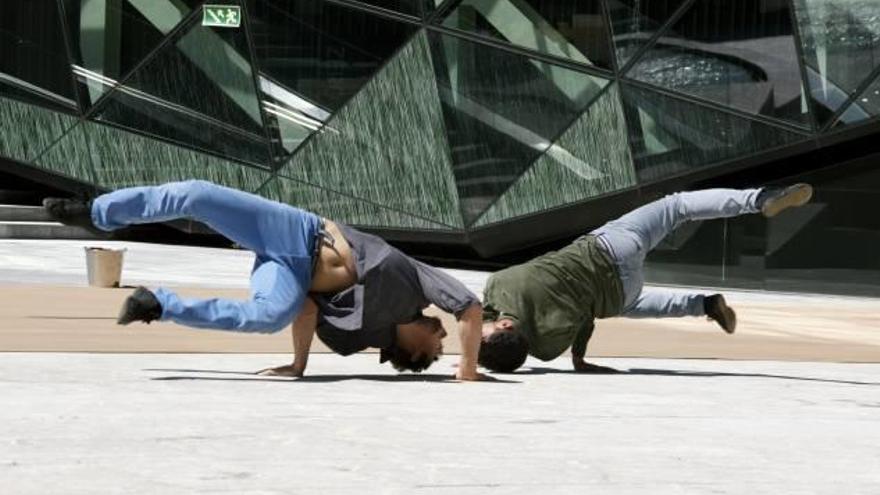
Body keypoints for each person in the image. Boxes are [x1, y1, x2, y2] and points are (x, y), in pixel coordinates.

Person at [43, 180, 484, 380]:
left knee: (269, 316)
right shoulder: (418, 286)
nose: (442, 332)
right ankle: (98, 212)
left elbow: (307, 309)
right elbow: (469, 307)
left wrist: (298, 364)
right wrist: (468, 368)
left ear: (409, 355)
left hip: (288, 272)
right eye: (445, 338)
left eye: (435, 347)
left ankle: (157, 305)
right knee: (198, 196)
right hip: (299, 231)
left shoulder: (359, 338)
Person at [477, 184, 814, 373]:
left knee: (633, 305)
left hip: (618, 294)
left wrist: (579, 359)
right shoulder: (499, 285)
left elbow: (585, 321)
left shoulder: (546, 351)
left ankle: (704, 305)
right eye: (482, 334)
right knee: (678, 205)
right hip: (610, 249)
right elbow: (502, 303)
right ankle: (757, 199)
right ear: (503, 329)